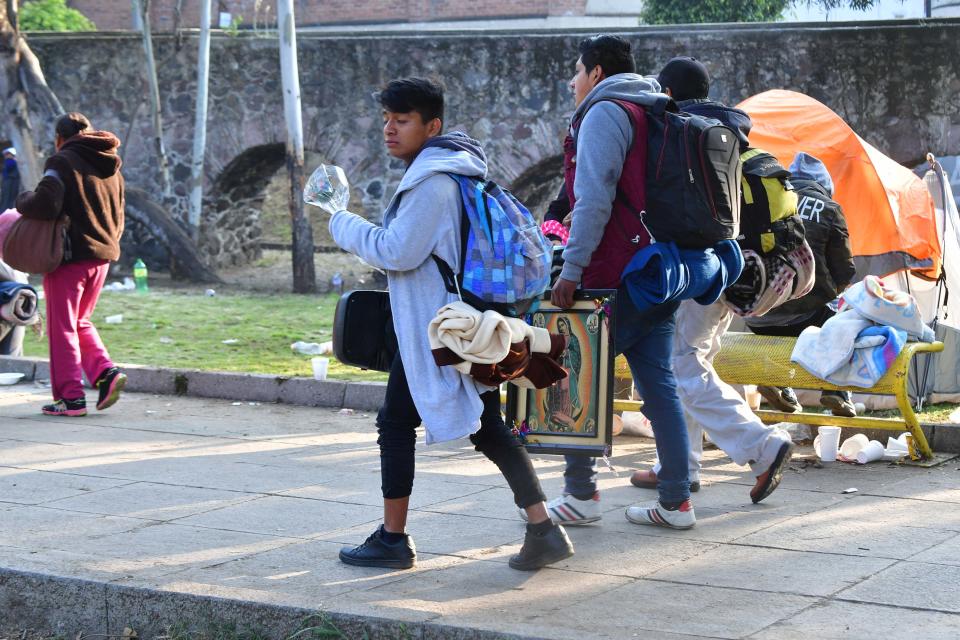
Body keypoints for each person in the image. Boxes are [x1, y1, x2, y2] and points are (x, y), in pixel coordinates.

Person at [328, 77, 574, 571]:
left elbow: (397, 250)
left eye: (401, 121)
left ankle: (395, 541)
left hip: (438, 330)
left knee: (402, 425)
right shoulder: (453, 173)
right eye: (385, 120)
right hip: (449, 324)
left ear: (431, 126)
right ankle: (542, 528)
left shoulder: (433, 183)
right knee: (477, 428)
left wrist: (341, 220)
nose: (389, 130)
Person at [547, 35, 701, 530]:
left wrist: (570, 272)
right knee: (658, 384)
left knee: (574, 374)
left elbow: (592, 202)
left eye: (576, 71)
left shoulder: (605, 112)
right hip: (657, 268)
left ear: (595, 72)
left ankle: (581, 494)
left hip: (612, 274)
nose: (572, 82)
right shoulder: (652, 108)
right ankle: (676, 500)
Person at [630, 56, 794, 503]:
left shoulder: (680, 132)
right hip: (736, 269)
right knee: (691, 361)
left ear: (666, 91)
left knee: (682, 365)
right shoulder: (729, 136)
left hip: (695, 268)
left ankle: (762, 447)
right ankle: (681, 464)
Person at [15, 112, 126, 417]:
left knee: (63, 328)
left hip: (70, 257)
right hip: (102, 257)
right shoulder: (111, 164)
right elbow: (119, 215)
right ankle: (106, 373)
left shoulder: (62, 161)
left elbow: (45, 203)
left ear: (60, 139)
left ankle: (71, 398)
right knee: (80, 322)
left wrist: (22, 199)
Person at [745, 151, 857, 416]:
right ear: (824, 185)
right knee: (846, 319)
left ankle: (779, 385)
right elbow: (845, 271)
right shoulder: (828, 209)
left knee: (785, 316)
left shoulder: (770, 198)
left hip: (757, 317)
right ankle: (836, 391)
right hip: (804, 317)